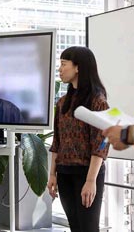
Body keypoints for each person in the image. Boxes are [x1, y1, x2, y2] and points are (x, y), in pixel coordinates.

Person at [47, 46, 109, 232]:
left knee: (88, 228)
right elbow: (57, 142)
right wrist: (52, 174)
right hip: (64, 173)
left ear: (78, 67)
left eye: (64, 64)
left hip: (87, 173)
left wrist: (91, 181)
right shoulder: (62, 102)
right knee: (75, 227)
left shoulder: (97, 102)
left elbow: (101, 144)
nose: (60, 69)